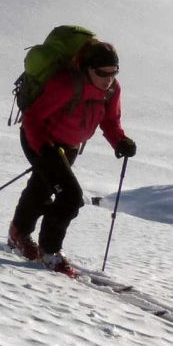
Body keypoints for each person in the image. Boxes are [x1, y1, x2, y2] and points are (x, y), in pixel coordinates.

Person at [8, 40, 136, 276]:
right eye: (102, 73)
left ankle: (18, 233)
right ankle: (50, 251)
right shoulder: (66, 85)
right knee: (70, 196)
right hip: (40, 140)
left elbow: (110, 121)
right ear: (88, 68)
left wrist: (120, 141)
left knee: (42, 187)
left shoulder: (111, 90)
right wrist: (43, 149)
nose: (109, 78)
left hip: (69, 146)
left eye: (114, 73)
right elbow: (33, 118)